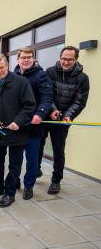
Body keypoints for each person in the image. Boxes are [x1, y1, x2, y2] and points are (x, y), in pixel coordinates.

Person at [0, 54, 35, 207]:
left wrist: (18, 122)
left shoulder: (21, 82)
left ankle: (10, 193)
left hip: (17, 131)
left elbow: (30, 105)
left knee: (15, 163)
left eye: (1, 67)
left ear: (7, 65)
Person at [45, 46, 90, 194]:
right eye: (64, 58)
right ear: (60, 57)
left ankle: (56, 181)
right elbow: (46, 94)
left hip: (64, 119)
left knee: (58, 150)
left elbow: (79, 102)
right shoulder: (50, 72)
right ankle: (36, 169)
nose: (66, 62)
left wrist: (68, 115)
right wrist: (52, 110)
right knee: (38, 144)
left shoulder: (83, 78)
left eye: (70, 59)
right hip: (47, 114)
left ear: (76, 60)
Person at [13, 47, 53, 200]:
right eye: (23, 57)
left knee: (32, 159)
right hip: (17, 124)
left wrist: (40, 113)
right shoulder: (13, 75)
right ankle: (14, 180)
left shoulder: (41, 75)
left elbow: (47, 97)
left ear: (34, 58)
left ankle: (28, 186)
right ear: (18, 59)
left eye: (29, 57)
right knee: (15, 157)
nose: (26, 60)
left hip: (34, 125)